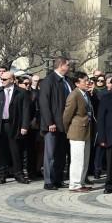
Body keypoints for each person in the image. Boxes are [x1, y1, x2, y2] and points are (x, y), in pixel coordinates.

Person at [0, 72, 30, 184]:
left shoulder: (21, 92)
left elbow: (26, 111)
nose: (2, 81)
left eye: (5, 79)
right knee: (1, 151)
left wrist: (24, 126)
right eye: (1, 79)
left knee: (15, 151)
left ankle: (18, 174)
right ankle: (2, 174)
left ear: (12, 79)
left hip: (14, 125)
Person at [39, 57, 72, 190]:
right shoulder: (49, 80)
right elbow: (44, 103)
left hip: (65, 125)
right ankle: (49, 180)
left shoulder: (67, 81)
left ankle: (58, 179)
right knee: (50, 154)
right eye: (68, 65)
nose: (69, 67)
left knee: (61, 154)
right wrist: (49, 122)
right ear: (61, 65)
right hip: (52, 125)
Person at [62, 71, 94, 192]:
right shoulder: (74, 95)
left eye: (88, 80)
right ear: (77, 83)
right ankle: (74, 184)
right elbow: (66, 116)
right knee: (77, 159)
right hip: (76, 132)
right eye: (85, 80)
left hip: (87, 131)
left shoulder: (85, 94)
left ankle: (81, 182)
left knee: (85, 159)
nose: (88, 82)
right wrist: (68, 130)